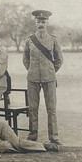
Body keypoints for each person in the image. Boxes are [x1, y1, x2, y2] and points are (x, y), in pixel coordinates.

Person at [23, 10, 64, 145]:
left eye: (43, 21)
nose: (40, 24)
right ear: (35, 22)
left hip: (49, 78)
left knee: (51, 108)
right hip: (33, 78)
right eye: (38, 21)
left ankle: (54, 137)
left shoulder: (53, 39)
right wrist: (32, 70)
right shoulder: (29, 40)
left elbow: (59, 59)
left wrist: (51, 70)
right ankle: (33, 134)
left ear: (47, 22)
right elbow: (25, 59)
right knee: (32, 108)